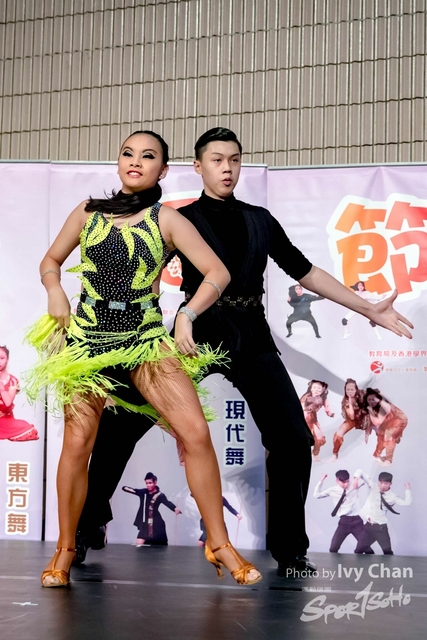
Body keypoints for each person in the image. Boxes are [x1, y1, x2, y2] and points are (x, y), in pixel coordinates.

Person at [75, 127, 413, 577]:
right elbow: (142, 277)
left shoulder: (260, 220)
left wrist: (367, 307)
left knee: (292, 438)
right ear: (197, 167)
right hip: (196, 330)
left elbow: (306, 272)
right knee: (121, 423)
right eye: (217, 160)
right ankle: (86, 525)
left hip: (251, 333)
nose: (227, 168)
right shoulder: (177, 219)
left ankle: (290, 550)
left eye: (234, 160)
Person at [26, 130, 262, 588]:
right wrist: (55, 291)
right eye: (128, 153)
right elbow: (51, 261)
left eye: (148, 155)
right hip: (87, 342)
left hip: (145, 340)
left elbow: (218, 272)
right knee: (77, 443)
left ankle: (219, 543)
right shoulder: (88, 212)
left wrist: (187, 315)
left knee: (195, 433)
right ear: (119, 162)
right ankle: (65, 548)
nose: (135, 161)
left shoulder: (166, 219)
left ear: (163, 169)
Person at [313, 470, 373, 553]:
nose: (346, 484)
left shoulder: (354, 485)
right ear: (337, 481)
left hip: (357, 522)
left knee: (368, 550)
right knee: (333, 549)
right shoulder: (332, 490)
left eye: (347, 481)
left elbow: (365, 475)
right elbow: (316, 495)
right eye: (343, 482)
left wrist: (356, 478)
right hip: (344, 522)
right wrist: (321, 480)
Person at [354, 471, 411, 554]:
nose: (382, 485)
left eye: (385, 483)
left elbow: (407, 503)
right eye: (380, 483)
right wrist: (356, 479)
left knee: (387, 552)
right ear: (378, 482)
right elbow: (361, 472)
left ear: (390, 484)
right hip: (368, 527)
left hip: (380, 528)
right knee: (358, 550)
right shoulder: (373, 487)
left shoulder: (392, 496)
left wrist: (408, 489)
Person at [122, 472, 181, 546]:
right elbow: (133, 490)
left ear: (155, 482)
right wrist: (125, 488)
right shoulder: (143, 492)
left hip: (157, 524)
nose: (148, 485)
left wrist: (175, 508)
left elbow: (167, 503)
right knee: (139, 545)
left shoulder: (160, 495)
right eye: (146, 483)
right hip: (145, 524)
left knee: (158, 547)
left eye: (150, 483)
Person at [0, 345, 39, 442]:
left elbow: (8, 403)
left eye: (2, 358)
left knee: (28, 429)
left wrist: (1, 387)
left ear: (7, 359)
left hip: (5, 419)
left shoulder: (12, 381)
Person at [363, 388, 408, 466]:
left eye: (373, 399)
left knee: (388, 435)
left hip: (399, 420)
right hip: (386, 423)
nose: (371, 401)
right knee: (380, 437)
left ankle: (388, 460)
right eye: (369, 400)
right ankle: (377, 455)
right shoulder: (373, 408)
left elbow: (378, 421)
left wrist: (370, 410)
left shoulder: (384, 405)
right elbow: (374, 423)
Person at [330, 378, 366, 460]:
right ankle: (334, 454)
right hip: (353, 419)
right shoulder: (345, 401)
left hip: (366, 417)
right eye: (348, 390)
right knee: (338, 434)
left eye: (352, 390)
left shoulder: (363, 394)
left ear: (356, 389)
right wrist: (350, 403)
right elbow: (352, 417)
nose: (350, 392)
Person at [300, 380, 334, 461]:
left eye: (319, 388)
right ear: (311, 388)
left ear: (323, 390)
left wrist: (330, 413)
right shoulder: (306, 396)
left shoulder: (323, 398)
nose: (316, 390)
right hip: (304, 418)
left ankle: (315, 453)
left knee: (319, 437)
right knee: (303, 438)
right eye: (314, 387)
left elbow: (327, 407)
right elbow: (301, 405)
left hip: (313, 419)